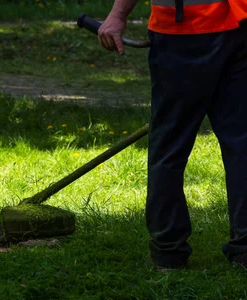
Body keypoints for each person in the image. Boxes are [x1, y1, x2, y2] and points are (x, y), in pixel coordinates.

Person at [98, 0, 247, 269]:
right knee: (242, 144)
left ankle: (168, 251)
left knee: (169, 146)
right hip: (236, 26)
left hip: (184, 33)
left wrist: (117, 15)